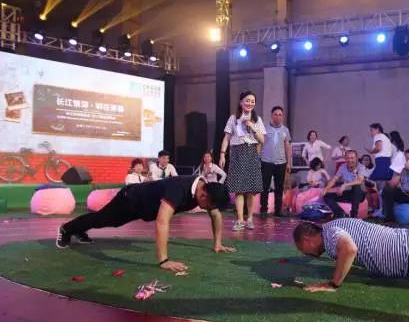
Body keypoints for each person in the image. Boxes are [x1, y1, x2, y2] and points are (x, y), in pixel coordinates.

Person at [56, 176, 236, 272]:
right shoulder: (179, 189)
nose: (209, 209)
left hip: (144, 207)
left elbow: (216, 215)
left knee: (107, 222)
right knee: (103, 219)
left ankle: (79, 230)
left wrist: (217, 243)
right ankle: (67, 229)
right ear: (204, 195)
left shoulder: (205, 191)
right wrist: (164, 260)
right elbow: (162, 222)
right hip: (131, 200)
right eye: (209, 205)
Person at [219, 91, 266, 231]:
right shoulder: (233, 118)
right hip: (237, 153)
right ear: (241, 102)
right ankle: (240, 220)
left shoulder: (257, 119)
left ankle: (250, 219)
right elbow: (226, 138)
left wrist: (251, 125)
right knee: (238, 189)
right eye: (247, 100)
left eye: (252, 101)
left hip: (251, 152)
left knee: (250, 190)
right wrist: (222, 154)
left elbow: (262, 140)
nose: (250, 103)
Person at [260, 106, 292, 217]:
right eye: (276, 114)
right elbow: (259, 144)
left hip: (281, 162)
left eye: (280, 115)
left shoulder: (285, 130)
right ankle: (263, 210)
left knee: (279, 187)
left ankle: (278, 210)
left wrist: (288, 162)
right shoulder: (264, 128)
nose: (278, 117)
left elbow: (287, 147)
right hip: (266, 161)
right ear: (272, 115)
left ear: (282, 116)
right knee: (265, 187)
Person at [323, 150, 366, 218]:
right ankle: (341, 213)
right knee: (327, 196)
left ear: (356, 158)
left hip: (360, 194)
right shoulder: (342, 167)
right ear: (345, 159)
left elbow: (360, 181)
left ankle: (353, 216)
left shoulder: (361, 167)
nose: (349, 160)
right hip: (348, 193)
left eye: (352, 158)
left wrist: (344, 185)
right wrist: (326, 189)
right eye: (347, 158)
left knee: (356, 187)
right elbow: (334, 179)